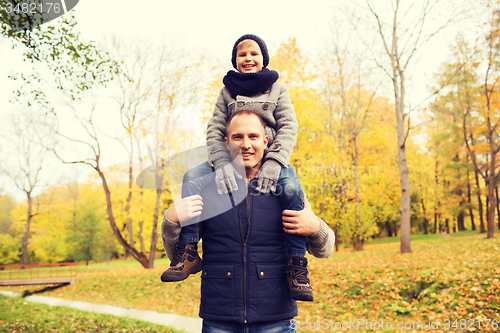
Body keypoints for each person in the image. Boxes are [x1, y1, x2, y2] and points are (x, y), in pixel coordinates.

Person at [161, 34, 312, 301]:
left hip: (271, 159)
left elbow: (289, 127)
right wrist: (221, 165)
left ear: (264, 59)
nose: (248, 58)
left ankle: (297, 265)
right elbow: (215, 129)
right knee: (191, 176)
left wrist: (275, 162)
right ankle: (188, 250)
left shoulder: (278, 89)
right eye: (242, 55)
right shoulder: (227, 91)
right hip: (228, 161)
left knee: (291, 187)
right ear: (235, 60)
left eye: (254, 53)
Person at [161, 111, 335, 332]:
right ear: (226, 142)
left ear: (265, 141)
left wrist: (316, 227)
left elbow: (325, 250)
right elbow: (177, 257)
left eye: (253, 136)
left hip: (275, 319)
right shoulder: (205, 187)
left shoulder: (286, 188)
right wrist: (171, 220)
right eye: (237, 137)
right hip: (219, 318)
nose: (246, 145)